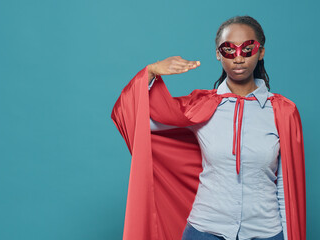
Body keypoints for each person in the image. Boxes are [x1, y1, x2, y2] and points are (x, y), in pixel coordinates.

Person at [111, 15, 305, 240]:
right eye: (229, 50)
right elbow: (137, 122)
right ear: (218, 54)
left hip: (265, 232)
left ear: (261, 52)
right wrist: (151, 72)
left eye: (248, 49)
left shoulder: (282, 111)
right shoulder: (202, 106)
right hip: (205, 230)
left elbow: (286, 186)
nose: (239, 58)